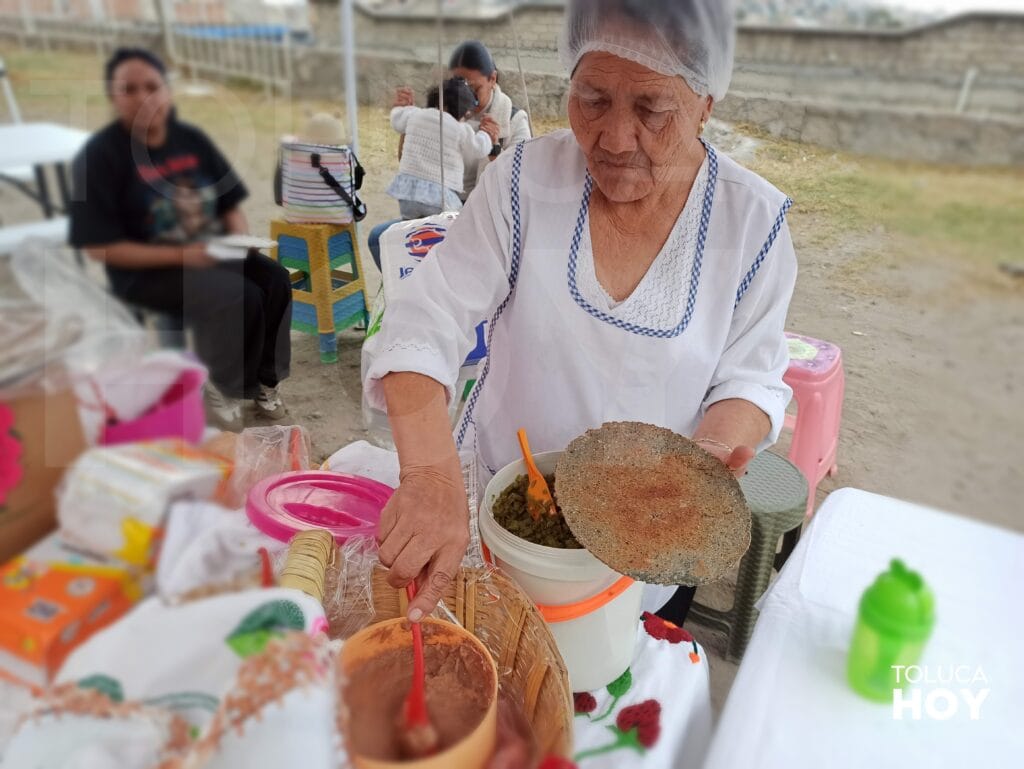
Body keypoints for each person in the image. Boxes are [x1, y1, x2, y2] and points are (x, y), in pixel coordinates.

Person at [364, 0, 797, 626]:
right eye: (592, 99)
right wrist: (430, 474)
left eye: (652, 109)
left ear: (706, 103)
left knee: (614, 667)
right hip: (505, 506)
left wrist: (706, 458)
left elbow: (751, 377)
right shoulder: (521, 181)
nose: (615, 139)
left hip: (649, 529)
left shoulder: (752, 222)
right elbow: (424, 322)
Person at [69, 48, 292, 430]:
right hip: (147, 270)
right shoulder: (100, 156)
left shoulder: (190, 139)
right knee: (240, 295)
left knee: (275, 279)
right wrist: (183, 256)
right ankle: (223, 384)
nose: (142, 97)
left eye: (151, 86)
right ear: (113, 97)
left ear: (167, 91)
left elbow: (229, 203)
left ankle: (263, 382)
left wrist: (238, 237)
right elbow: (98, 246)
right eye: (129, 89)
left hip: (209, 250)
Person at [368, 40, 533, 271]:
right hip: (439, 207)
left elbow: (521, 183)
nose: (468, 98)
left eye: (474, 89)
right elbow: (406, 159)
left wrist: (494, 148)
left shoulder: (514, 120)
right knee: (378, 239)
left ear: (492, 79)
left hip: (485, 218)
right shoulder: (444, 110)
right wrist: (410, 122)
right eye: (461, 86)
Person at [386, 77, 497, 220]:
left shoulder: (415, 114)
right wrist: (486, 134)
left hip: (408, 193)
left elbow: (396, 120)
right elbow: (479, 148)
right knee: (450, 224)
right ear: (464, 111)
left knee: (411, 226)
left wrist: (401, 107)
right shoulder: (459, 129)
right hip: (440, 198)